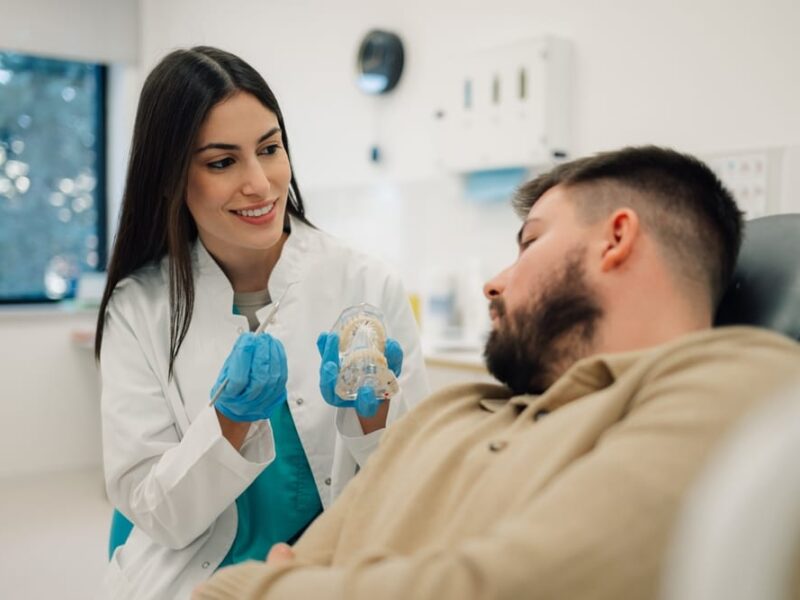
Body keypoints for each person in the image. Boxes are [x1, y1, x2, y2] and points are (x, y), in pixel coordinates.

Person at [192, 146, 800, 600]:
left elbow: (518, 587)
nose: (494, 283)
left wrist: (258, 589)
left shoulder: (744, 386)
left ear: (616, 239)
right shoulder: (452, 412)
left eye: (529, 243)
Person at [95, 46, 429, 599]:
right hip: (196, 577)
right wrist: (227, 421)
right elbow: (158, 515)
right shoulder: (138, 308)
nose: (261, 183)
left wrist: (376, 423)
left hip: (331, 569)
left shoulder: (366, 284)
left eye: (269, 149)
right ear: (172, 179)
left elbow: (413, 488)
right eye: (222, 162)